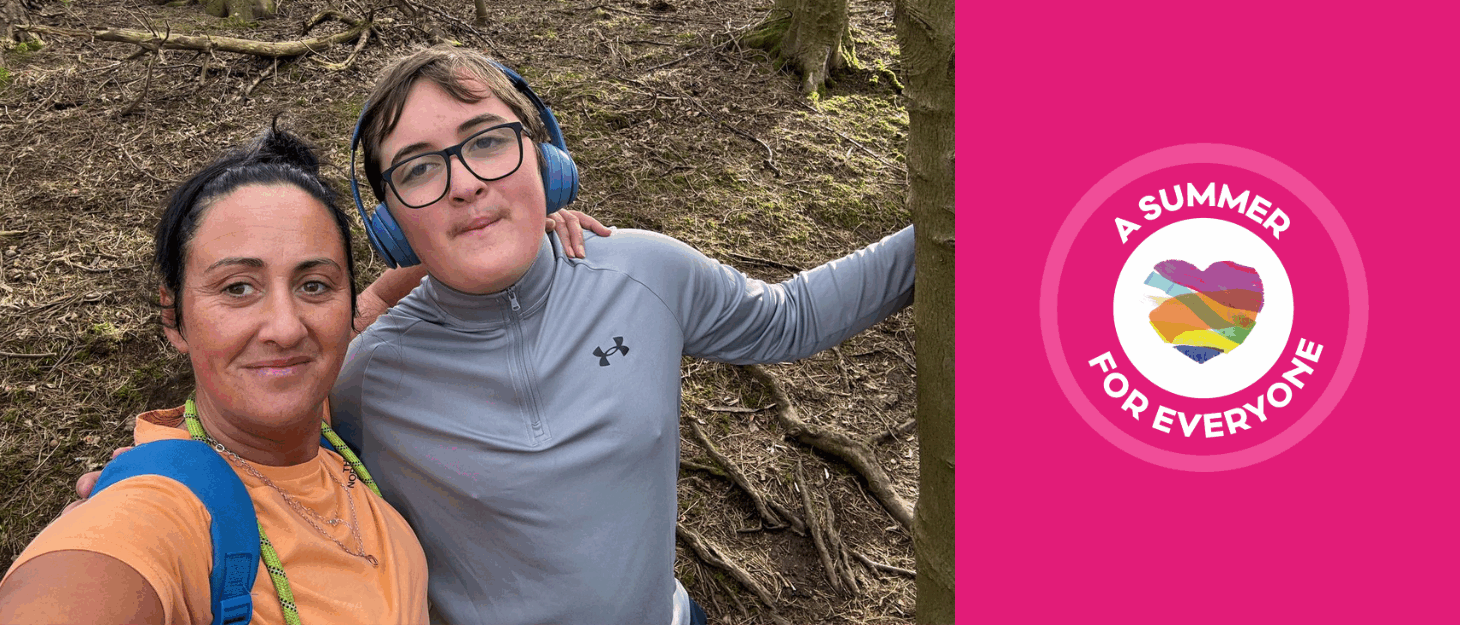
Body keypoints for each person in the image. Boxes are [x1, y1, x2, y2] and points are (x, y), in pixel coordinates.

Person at [328, 46, 916, 625]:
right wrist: (362, 306)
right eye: (419, 168)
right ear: (391, 226)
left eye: (488, 141)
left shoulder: (645, 273)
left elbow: (791, 317)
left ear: (548, 164)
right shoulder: (362, 380)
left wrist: (954, 225)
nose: (465, 185)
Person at [2, 125, 607, 623]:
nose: (286, 328)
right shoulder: (161, 509)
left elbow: (377, 300)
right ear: (174, 316)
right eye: (238, 288)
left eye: (314, 284)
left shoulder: (314, 418)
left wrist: (519, 233)